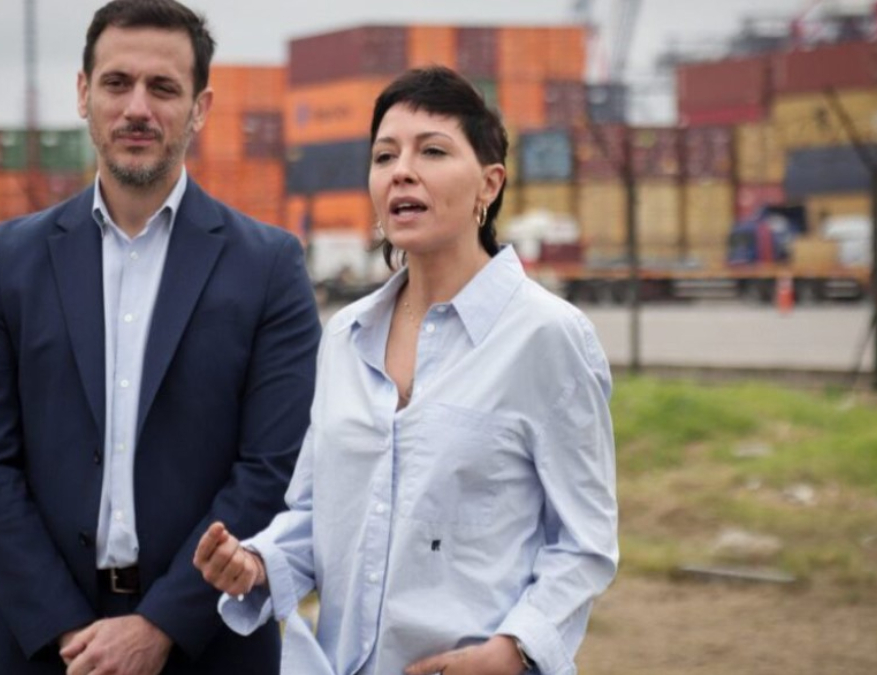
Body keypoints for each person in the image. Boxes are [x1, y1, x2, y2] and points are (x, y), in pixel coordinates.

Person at [193, 66, 619, 675]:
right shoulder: (345, 336)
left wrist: (514, 650)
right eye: (385, 155)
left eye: (434, 151)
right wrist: (257, 563)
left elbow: (584, 543)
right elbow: (320, 514)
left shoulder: (547, 336)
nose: (402, 171)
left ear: (489, 185)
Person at [0, 1, 321, 673]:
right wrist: (66, 630)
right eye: (117, 83)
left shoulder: (269, 267)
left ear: (200, 107)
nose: (137, 107)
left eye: (164, 88)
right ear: (84, 92)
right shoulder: (7, 261)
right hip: (33, 643)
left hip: (209, 643)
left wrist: (160, 625)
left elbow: (272, 471)